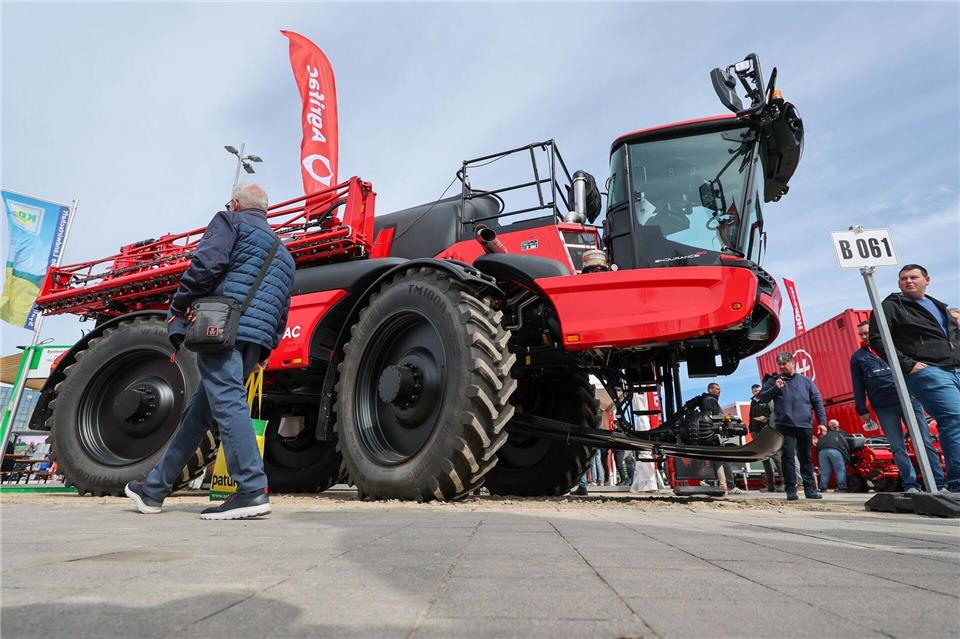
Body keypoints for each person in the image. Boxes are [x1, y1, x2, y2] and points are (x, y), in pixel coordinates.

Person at [125, 183, 296, 519]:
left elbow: (206, 264)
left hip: (222, 329)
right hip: (255, 338)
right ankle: (154, 490)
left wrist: (180, 303)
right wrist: (266, 349)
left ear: (235, 204)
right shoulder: (285, 254)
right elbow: (282, 306)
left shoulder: (230, 222)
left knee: (229, 402)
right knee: (198, 414)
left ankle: (251, 488)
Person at [869, 264, 959, 493]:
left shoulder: (940, 306)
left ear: (926, 279)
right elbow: (878, 339)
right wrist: (909, 365)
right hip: (929, 371)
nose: (908, 281)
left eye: (913, 277)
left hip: (954, 367)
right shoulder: (891, 306)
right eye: (903, 279)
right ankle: (957, 484)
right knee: (954, 420)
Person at [851, 319, 944, 492]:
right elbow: (858, 384)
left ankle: (939, 483)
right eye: (861, 334)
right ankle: (910, 485)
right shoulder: (858, 357)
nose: (864, 337)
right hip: (884, 405)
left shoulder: (894, 347)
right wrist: (861, 409)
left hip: (909, 400)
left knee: (924, 441)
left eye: (866, 333)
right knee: (897, 446)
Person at [757, 352, 826, 500]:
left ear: (793, 363)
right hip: (784, 425)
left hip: (805, 424)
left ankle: (810, 490)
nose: (782, 367)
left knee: (805, 457)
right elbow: (762, 397)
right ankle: (791, 490)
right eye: (780, 364)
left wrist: (822, 422)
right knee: (787, 457)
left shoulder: (806, 382)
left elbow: (817, 402)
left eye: (785, 363)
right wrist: (776, 388)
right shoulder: (774, 381)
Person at [699, 383, 742, 494]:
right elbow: (715, 417)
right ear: (710, 389)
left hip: (710, 435)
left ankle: (712, 481)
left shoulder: (707, 400)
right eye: (717, 389)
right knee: (724, 459)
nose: (719, 391)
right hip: (714, 434)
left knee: (717, 460)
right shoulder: (711, 400)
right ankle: (730, 486)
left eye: (719, 389)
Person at [748, 383, 778, 492]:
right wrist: (751, 430)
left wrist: (766, 418)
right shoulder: (753, 402)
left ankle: (785, 483)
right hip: (756, 432)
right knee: (763, 458)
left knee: (776, 457)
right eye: (755, 391)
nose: (758, 392)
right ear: (752, 392)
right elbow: (751, 417)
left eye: (759, 390)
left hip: (768, 431)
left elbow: (774, 414)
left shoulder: (767, 400)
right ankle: (771, 486)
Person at [816, 420, 849, 492]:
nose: (837, 428)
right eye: (836, 426)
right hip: (835, 450)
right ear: (833, 427)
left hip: (821, 451)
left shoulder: (824, 434)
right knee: (840, 469)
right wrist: (847, 454)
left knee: (825, 470)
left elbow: (818, 444)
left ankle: (823, 488)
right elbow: (845, 443)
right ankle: (842, 487)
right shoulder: (839, 433)